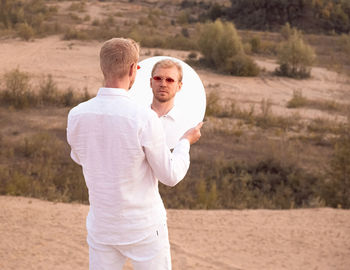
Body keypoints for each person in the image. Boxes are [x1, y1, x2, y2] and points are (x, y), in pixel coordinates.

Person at [66, 37, 203, 270]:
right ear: (133, 69)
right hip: (144, 228)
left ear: (103, 67)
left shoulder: (77, 114)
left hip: (102, 227)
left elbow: (80, 157)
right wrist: (185, 143)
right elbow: (170, 176)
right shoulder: (143, 117)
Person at [150, 59, 187, 149]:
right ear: (151, 82)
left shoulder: (186, 126)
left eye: (169, 80)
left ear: (179, 86)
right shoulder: (135, 119)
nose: (163, 84)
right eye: (158, 78)